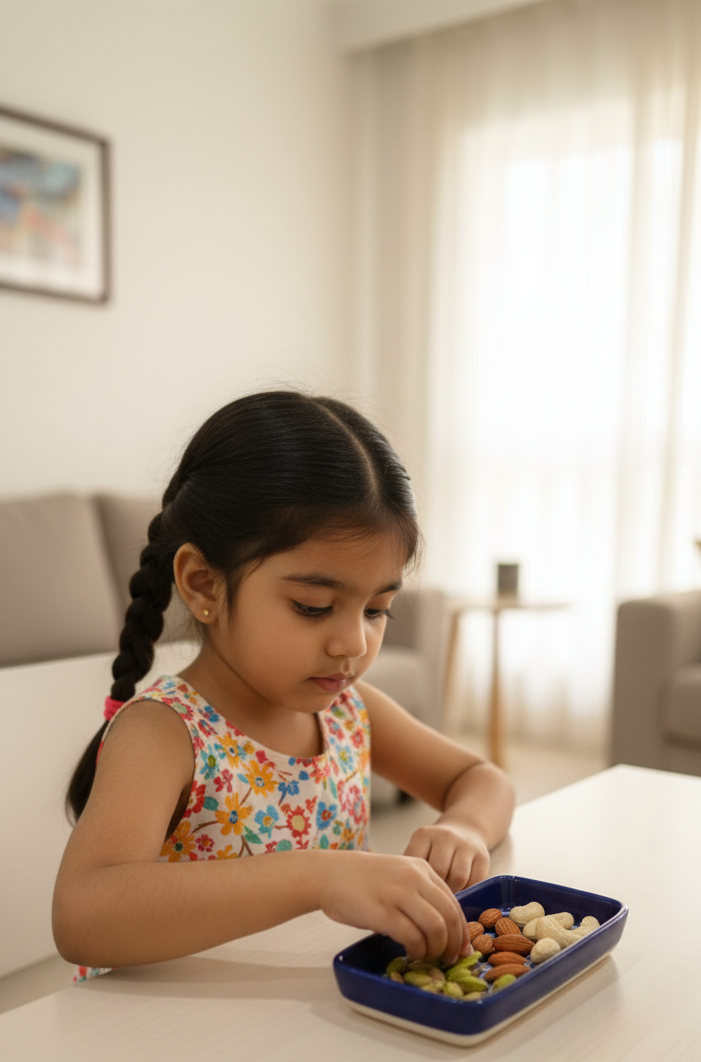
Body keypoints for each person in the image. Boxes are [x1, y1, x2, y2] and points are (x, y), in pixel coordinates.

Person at [53, 392, 515, 980]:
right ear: (203, 584)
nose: (354, 642)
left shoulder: (348, 712)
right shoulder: (166, 732)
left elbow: (481, 780)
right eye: (313, 606)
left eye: (377, 609)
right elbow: (82, 915)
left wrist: (462, 828)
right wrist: (318, 876)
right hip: (166, 1027)